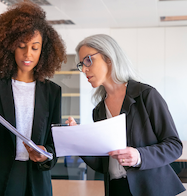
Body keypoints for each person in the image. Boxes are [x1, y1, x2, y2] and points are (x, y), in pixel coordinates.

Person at [66, 34, 186, 196]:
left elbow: (174, 146)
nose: (84, 69)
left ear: (108, 58)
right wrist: (78, 138)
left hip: (151, 189)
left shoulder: (146, 95)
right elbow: (103, 164)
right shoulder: (99, 111)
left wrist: (139, 156)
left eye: (88, 60)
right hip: (117, 189)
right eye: (82, 64)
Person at [0, 0, 66, 196]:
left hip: (35, 181)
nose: (27, 53)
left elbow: (54, 147)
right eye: (21, 46)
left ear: (44, 51)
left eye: (34, 47)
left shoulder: (52, 92)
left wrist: (44, 154)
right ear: (10, 47)